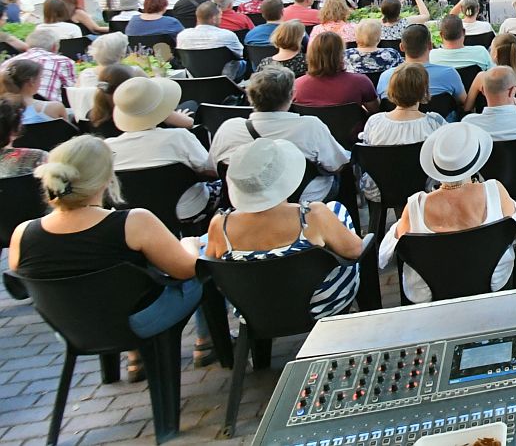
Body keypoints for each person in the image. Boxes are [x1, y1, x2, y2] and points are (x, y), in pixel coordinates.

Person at [10, 134, 217, 372]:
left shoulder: (23, 233)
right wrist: (191, 245)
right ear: (106, 177)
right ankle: (207, 341)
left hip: (69, 328)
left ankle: (133, 358)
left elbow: (23, 279)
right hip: (135, 322)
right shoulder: (133, 221)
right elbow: (187, 270)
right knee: (204, 257)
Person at [207, 137, 363, 318]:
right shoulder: (314, 215)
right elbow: (355, 251)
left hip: (255, 311)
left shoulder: (220, 225)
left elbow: (213, 266)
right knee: (336, 209)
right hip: (320, 306)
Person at [379, 124, 516, 304]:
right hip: (492, 281)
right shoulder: (494, 191)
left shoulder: (415, 207)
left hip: (429, 292)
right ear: (475, 160)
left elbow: (384, 256)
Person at [208, 67, 350, 203]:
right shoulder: (310, 126)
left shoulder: (229, 128)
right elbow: (337, 165)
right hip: (303, 202)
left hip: (244, 202)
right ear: (291, 94)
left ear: (250, 96)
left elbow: (213, 170)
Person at [104, 76, 214, 219]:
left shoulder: (106, 148)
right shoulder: (179, 137)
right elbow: (210, 170)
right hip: (185, 212)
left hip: (130, 217)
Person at [294, 30, 380, 110]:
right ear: (341, 54)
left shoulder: (297, 86)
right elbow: (375, 109)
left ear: (312, 54)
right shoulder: (361, 82)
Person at [4, 29, 77, 105]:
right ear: (54, 47)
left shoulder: (8, 62)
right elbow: (73, 91)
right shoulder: (62, 61)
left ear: (28, 45)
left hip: (10, 107)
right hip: (48, 107)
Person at [1, 58, 68, 124]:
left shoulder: (3, 109)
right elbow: (68, 130)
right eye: (40, 77)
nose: (41, 81)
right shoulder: (55, 108)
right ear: (31, 81)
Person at [429, 14, 494, 73]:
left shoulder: (431, 57)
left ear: (441, 35)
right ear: (463, 32)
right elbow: (494, 74)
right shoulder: (481, 53)